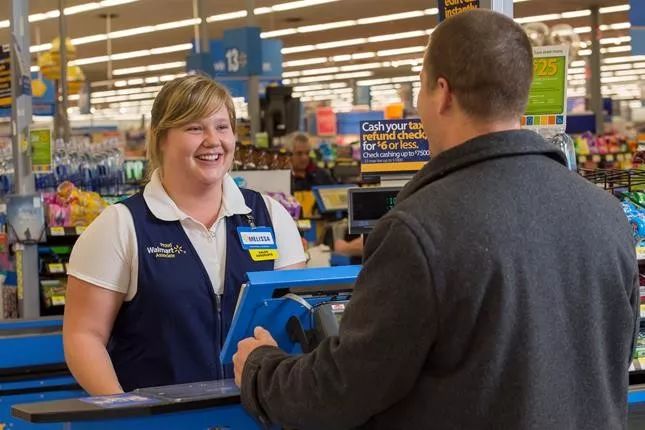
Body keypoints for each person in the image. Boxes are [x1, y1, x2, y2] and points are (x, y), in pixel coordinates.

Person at [233, 10, 639, 429]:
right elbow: (614, 355)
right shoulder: (605, 213)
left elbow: (344, 390)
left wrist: (261, 371)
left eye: (421, 91)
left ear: (442, 93)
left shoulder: (419, 230)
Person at [63, 75, 306, 395]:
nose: (213, 140)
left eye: (222, 127)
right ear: (161, 138)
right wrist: (126, 412)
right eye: (194, 128)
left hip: (257, 415)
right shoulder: (121, 227)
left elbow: (292, 324)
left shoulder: (270, 217)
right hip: (163, 421)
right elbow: (84, 335)